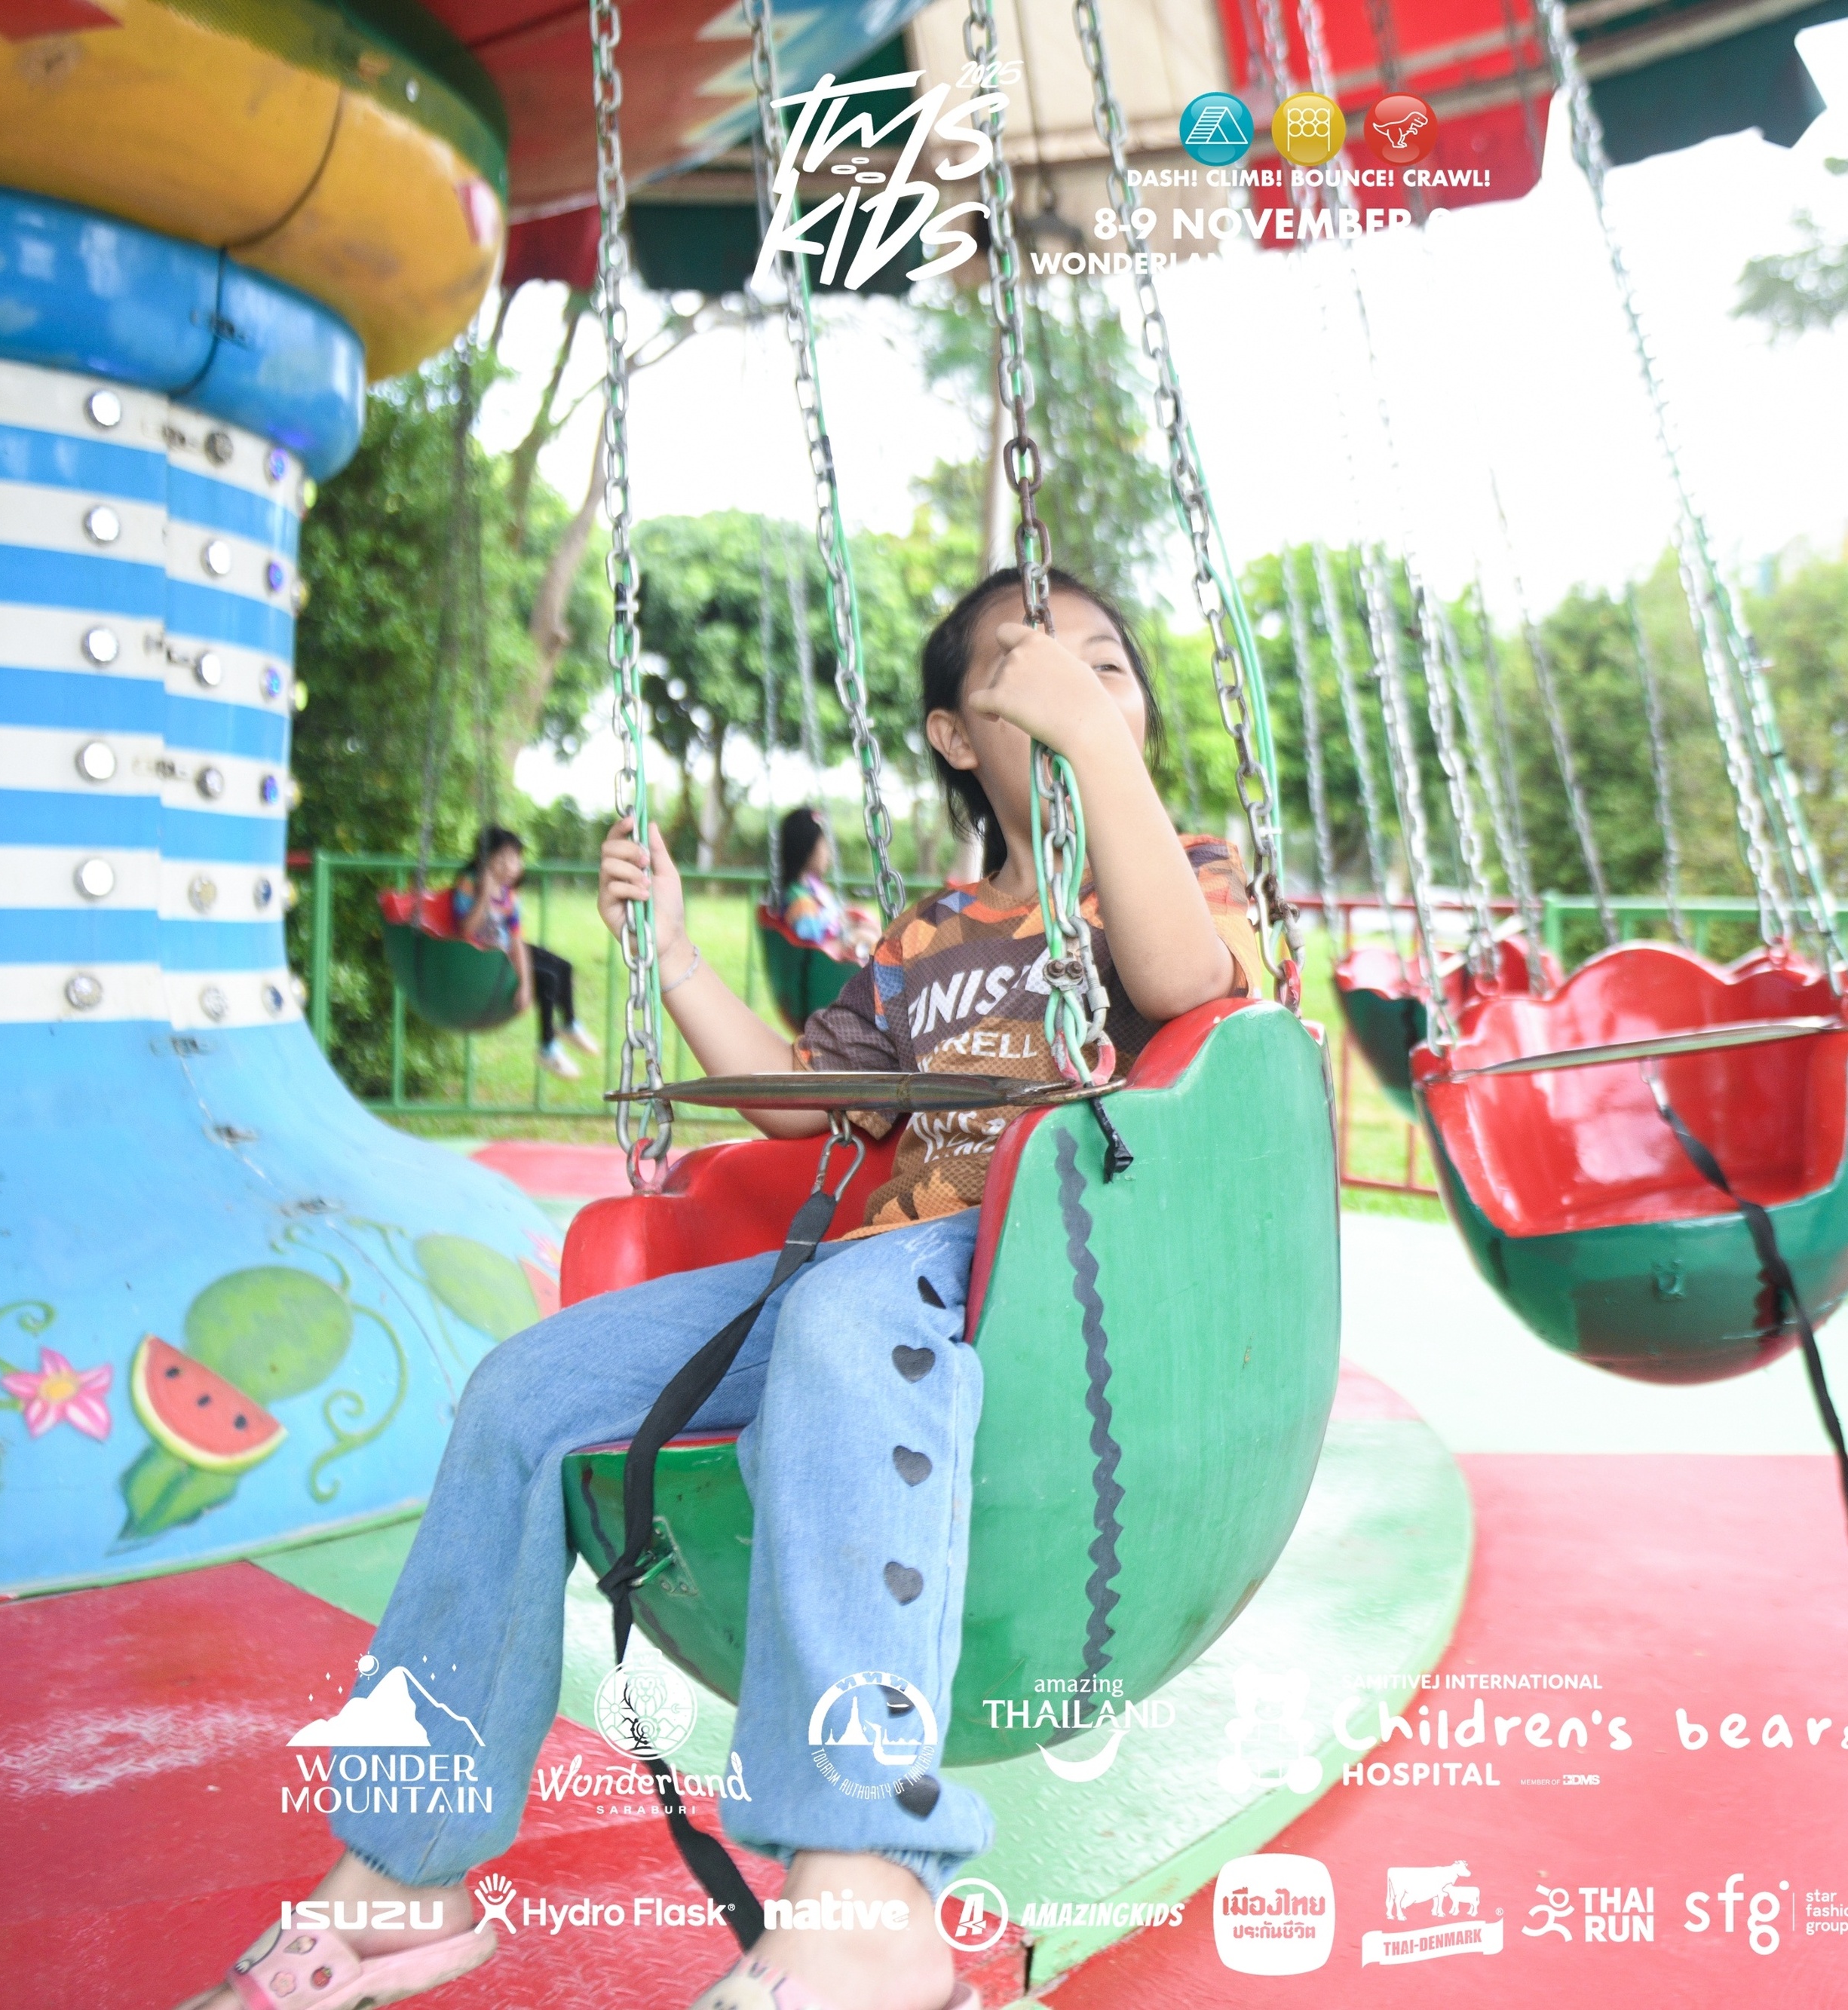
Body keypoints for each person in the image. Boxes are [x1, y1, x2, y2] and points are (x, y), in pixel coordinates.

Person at [175, 568, 1259, 2010]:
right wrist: (676, 956)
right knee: (526, 1390)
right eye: (1026, 667)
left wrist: (1096, 749)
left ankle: (868, 1902)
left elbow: (1186, 982)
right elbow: (803, 1105)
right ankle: (404, 1868)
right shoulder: (928, 937)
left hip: (1067, 1268)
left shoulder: (1178, 871)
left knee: (841, 1316)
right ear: (953, 734)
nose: (1074, 683)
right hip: (881, 1266)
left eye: (1107, 666)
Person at [452, 827, 596, 1080]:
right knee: (548, 978)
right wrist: (484, 896)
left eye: (516, 859)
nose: (511, 867)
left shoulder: (508, 894)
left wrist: (526, 983)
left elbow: (516, 939)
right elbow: (466, 931)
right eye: (502, 860)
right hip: (483, 959)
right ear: (484, 861)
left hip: (506, 950)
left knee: (563, 966)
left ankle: (569, 1024)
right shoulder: (468, 885)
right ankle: (547, 1047)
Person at [774, 806, 882, 959]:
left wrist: (852, 923)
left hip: (836, 941)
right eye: (824, 846)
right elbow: (812, 943)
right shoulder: (800, 900)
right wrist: (850, 937)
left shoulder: (813, 885)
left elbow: (833, 917)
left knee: (875, 929)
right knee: (870, 939)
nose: (829, 853)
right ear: (807, 849)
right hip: (825, 957)